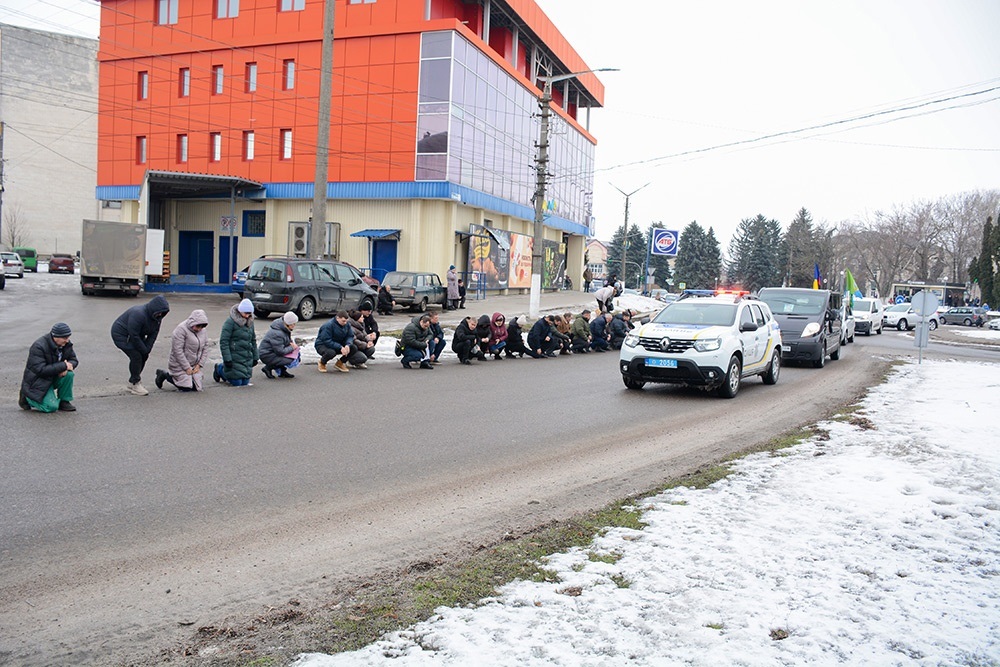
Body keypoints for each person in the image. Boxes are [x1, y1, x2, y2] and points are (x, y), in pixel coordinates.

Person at [111, 295, 170, 395]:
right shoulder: (138, 314)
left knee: (144, 355)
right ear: (153, 308)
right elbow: (134, 335)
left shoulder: (157, 317)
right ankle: (135, 383)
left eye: (162, 313)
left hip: (137, 335)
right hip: (122, 335)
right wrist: (143, 349)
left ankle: (132, 381)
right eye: (159, 312)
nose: (160, 314)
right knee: (136, 356)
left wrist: (147, 349)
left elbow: (153, 334)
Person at [19, 322, 79, 412]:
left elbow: (73, 360)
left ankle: (64, 401)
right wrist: (63, 366)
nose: (67, 340)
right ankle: (27, 397)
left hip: (52, 376)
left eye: (68, 337)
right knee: (51, 407)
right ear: (55, 336)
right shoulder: (38, 346)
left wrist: (67, 367)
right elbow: (40, 370)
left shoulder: (65, 344)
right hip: (38, 381)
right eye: (65, 338)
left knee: (69, 374)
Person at [155, 309, 209, 392]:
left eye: (202, 327)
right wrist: (187, 367)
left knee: (196, 388)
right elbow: (177, 351)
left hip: (194, 364)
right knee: (186, 388)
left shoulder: (203, 331)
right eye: (198, 326)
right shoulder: (180, 330)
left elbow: (205, 348)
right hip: (179, 364)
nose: (199, 329)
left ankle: (187, 378)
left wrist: (199, 365)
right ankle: (165, 375)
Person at [215, 298, 259, 387]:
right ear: (240, 311)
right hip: (234, 355)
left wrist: (255, 356)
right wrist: (227, 358)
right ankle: (219, 369)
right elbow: (224, 341)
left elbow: (253, 340)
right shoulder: (230, 322)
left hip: (246, 356)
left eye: (249, 314)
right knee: (237, 383)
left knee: (245, 383)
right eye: (245, 313)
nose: (247, 316)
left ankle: (230, 373)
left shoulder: (250, 322)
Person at [259, 311, 300, 378]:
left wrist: (292, 346)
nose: (294, 326)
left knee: (297, 355)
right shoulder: (277, 333)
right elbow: (280, 351)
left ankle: (282, 371)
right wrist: (292, 348)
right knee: (290, 360)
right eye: (293, 324)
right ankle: (268, 368)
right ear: (288, 324)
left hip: (272, 353)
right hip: (267, 355)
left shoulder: (284, 329)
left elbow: (285, 343)